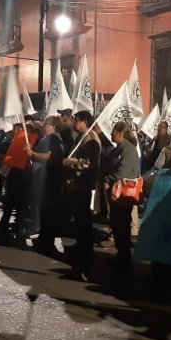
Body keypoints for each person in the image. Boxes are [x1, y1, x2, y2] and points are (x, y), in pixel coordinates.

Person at [62, 110, 101, 280]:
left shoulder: (90, 139)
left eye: (76, 120)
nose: (73, 123)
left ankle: (86, 255)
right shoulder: (82, 136)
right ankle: (81, 250)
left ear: (84, 121)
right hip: (76, 185)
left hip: (82, 186)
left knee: (83, 221)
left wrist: (70, 162)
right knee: (79, 221)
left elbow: (87, 163)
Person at [102, 121, 141, 287]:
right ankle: (121, 252)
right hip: (115, 191)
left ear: (120, 133)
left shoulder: (128, 150)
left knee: (122, 224)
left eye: (113, 131)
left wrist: (109, 179)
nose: (111, 134)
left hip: (123, 193)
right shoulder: (119, 149)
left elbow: (122, 171)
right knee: (116, 223)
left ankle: (125, 255)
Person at [30, 116, 65, 256]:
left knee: (47, 214)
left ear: (53, 126)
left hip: (49, 182)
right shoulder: (53, 139)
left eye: (47, 123)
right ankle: (44, 240)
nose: (44, 126)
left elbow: (48, 156)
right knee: (45, 214)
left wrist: (33, 154)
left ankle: (46, 243)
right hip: (49, 182)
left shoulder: (53, 139)